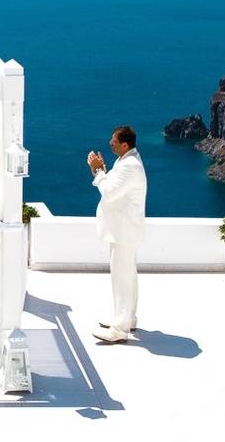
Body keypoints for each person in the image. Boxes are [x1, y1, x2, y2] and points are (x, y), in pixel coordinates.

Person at [87, 125, 148, 344]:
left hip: (124, 231)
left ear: (124, 144)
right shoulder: (126, 160)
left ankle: (119, 330)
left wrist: (98, 172)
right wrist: (103, 169)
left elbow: (110, 192)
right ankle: (127, 318)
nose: (110, 143)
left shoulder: (129, 165)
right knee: (127, 275)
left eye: (113, 141)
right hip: (124, 230)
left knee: (122, 277)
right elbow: (113, 183)